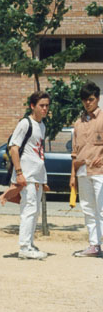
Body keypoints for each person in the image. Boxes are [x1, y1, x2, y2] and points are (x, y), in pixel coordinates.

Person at [0, 92, 50, 259]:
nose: (45, 108)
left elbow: (39, 153)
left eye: (47, 105)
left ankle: (29, 243)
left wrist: (43, 179)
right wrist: (19, 172)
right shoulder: (25, 123)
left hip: (36, 175)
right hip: (26, 174)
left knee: (34, 211)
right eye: (41, 105)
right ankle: (24, 247)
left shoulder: (42, 126)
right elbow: (14, 148)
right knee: (28, 209)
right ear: (32, 106)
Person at [70, 81, 103, 258]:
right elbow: (74, 153)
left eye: (90, 99)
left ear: (97, 99)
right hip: (82, 172)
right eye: (84, 100)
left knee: (102, 210)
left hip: (100, 172)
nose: (87, 103)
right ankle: (94, 245)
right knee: (89, 210)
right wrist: (72, 175)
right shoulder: (78, 124)